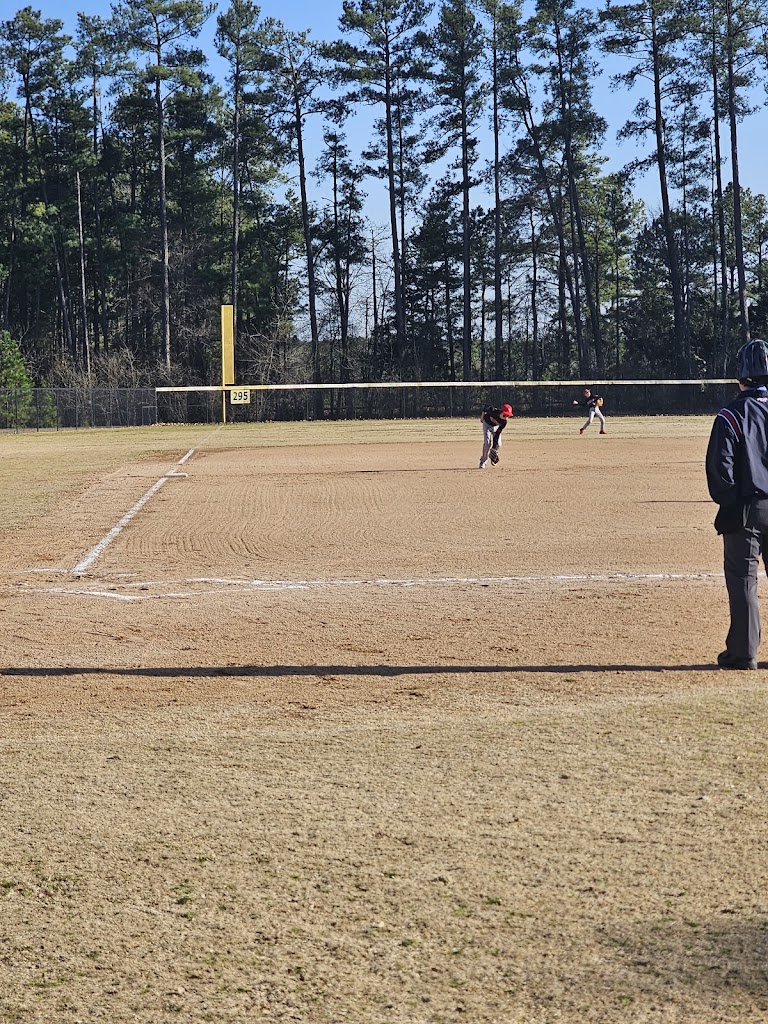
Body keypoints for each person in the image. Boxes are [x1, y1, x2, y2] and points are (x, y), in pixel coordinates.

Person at [706, 338, 768, 670]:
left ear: (740, 377)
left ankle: (744, 652)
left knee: (743, 579)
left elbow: (721, 468)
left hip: (747, 507)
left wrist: (730, 503)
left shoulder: (731, 414)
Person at [479, 403, 513, 468]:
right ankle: (483, 461)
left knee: (498, 444)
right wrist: (482, 417)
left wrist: (494, 448)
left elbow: (497, 434)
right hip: (487, 425)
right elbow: (485, 408)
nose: (506, 417)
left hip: (495, 427)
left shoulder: (504, 422)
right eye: (505, 415)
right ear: (501, 412)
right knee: (487, 443)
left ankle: (493, 457)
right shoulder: (493, 411)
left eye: (508, 416)